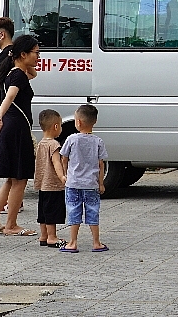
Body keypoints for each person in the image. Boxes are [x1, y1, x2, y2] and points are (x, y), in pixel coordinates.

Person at [0, 34, 39, 236]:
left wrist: (24, 60)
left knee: (11, 179)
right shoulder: (17, 76)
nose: (38, 57)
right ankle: (11, 225)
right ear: (23, 54)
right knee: (20, 179)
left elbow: (35, 73)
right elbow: (11, 96)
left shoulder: (14, 72)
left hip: (12, 127)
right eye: (35, 53)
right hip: (16, 128)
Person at [59, 104, 108, 253]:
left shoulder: (71, 139)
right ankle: (96, 242)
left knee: (74, 211)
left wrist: (65, 174)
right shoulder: (98, 141)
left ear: (78, 122)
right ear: (95, 122)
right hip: (91, 184)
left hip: (73, 183)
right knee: (93, 211)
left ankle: (72, 242)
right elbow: (101, 164)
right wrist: (101, 183)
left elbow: (64, 158)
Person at [34, 109, 67, 248]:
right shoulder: (54, 145)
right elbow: (56, 162)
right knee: (52, 211)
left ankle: (44, 236)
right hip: (53, 184)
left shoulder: (40, 143)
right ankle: (52, 237)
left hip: (42, 184)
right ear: (55, 126)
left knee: (43, 210)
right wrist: (62, 177)